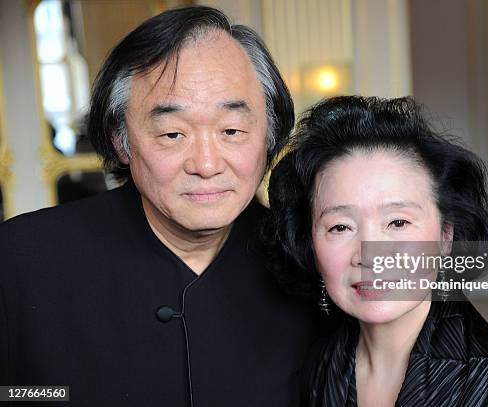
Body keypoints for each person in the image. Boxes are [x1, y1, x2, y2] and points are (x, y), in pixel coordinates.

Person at [0, 6, 319, 406]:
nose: (206, 164)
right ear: (121, 140)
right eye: (173, 134)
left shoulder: (309, 257)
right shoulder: (21, 257)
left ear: (268, 135)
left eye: (232, 131)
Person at [267, 96, 488, 406]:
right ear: (310, 242)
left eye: (398, 222)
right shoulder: (313, 368)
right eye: (340, 227)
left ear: (445, 236)